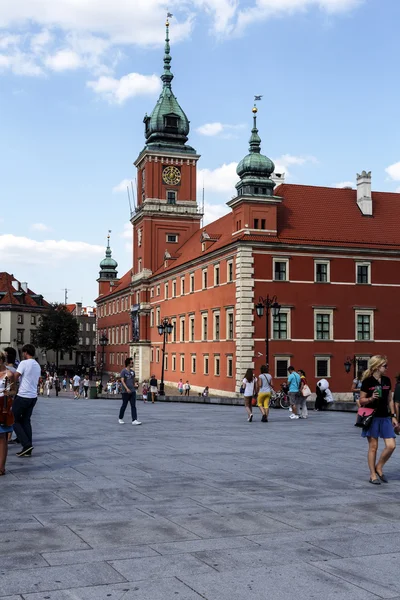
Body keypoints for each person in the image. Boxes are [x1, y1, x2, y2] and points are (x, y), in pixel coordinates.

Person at [359, 355, 397, 484]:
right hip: (372, 417)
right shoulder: (367, 382)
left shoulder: (387, 380)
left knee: (391, 445)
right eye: (385, 366)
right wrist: (371, 398)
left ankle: (379, 466)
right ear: (376, 367)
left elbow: (390, 400)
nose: (387, 368)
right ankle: (372, 475)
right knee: (373, 447)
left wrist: (393, 416)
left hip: (385, 417)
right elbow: (361, 400)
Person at [13, 344, 41, 457]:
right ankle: (28, 448)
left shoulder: (24, 363)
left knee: (13, 419)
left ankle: (26, 444)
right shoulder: (37, 365)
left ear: (25, 352)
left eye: (22, 353)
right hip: (33, 397)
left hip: (23, 395)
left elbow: (15, 376)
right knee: (26, 421)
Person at [0, 351, 15, 475]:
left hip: (3, 406)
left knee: (2, 437)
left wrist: (8, 393)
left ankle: (1, 467)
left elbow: (14, 391)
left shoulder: (9, 374)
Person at [119, 357, 141, 425]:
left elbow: (133, 380)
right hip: (125, 392)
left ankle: (134, 420)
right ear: (128, 363)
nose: (133, 364)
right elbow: (122, 381)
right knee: (124, 405)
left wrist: (135, 385)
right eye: (132, 363)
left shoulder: (132, 372)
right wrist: (126, 388)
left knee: (133, 405)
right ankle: (120, 418)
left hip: (132, 391)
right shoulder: (123, 371)